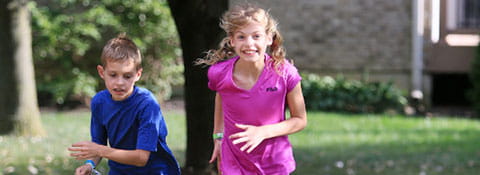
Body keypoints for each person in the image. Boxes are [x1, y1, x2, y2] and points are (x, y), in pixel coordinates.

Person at [200, 3, 307, 175]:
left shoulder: (285, 73)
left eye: (256, 36)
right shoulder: (218, 73)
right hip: (233, 163)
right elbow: (221, 98)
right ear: (232, 40)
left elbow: (300, 119)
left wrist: (263, 132)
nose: (249, 44)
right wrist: (218, 137)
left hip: (274, 163)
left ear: (269, 38)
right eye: (241, 37)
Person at [68, 34, 180, 175]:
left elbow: (141, 158)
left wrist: (100, 150)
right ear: (102, 72)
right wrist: (90, 165)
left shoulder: (147, 104)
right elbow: (99, 143)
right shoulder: (99, 102)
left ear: (138, 74)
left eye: (127, 76)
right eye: (113, 75)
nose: (120, 82)